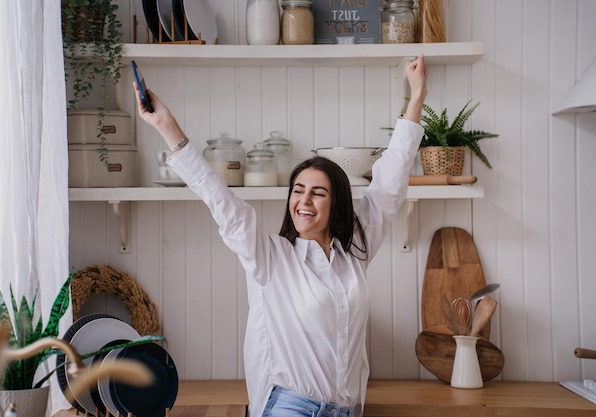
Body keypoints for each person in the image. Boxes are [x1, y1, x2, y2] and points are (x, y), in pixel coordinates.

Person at [134, 54, 428, 417]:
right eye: (297, 190)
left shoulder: (354, 253)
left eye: (317, 193)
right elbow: (219, 197)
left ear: (336, 204)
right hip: (291, 407)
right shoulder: (270, 257)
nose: (303, 201)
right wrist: (168, 126)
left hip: (349, 409)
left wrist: (416, 98)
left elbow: (389, 183)